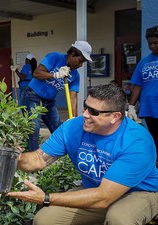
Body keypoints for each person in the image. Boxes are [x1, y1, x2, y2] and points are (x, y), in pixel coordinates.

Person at [8, 84, 158, 225]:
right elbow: (38, 159)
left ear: (115, 117)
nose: (85, 114)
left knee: (119, 219)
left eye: (93, 112)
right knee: (45, 220)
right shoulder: (73, 127)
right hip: (96, 190)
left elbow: (103, 197)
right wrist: (16, 157)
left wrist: (45, 198)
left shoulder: (137, 142)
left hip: (140, 192)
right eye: (86, 106)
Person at [24, 41, 93, 151]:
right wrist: (55, 75)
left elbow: (73, 97)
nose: (80, 65)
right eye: (80, 61)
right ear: (73, 54)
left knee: (58, 129)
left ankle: (65, 157)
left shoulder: (75, 75)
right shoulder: (55, 57)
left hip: (49, 102)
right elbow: (36, 73)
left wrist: (72, 118)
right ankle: (32, 159)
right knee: (34, 129)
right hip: (33, 96)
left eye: (83, 63)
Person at [128, 25, 158, 165]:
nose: (152, 46)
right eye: (150, 43)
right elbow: (137, 85)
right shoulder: (144, 62)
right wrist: (131, 106)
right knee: (154, 138)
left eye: (156, 43)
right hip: (150, 108)